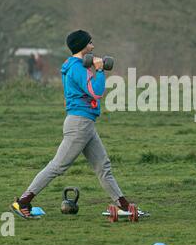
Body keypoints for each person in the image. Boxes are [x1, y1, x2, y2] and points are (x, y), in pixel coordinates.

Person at [10, 30, 132, 219]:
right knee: (58, 166)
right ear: (83, 46)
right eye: (90, 43)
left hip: (86, 124)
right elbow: (97, 92)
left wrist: (93, 69)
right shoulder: (76, 68)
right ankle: (23, 202)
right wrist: (99, 70)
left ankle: (124, 206)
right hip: (79, 124)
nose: (93, 46)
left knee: (103, 166)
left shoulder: (77, 66)